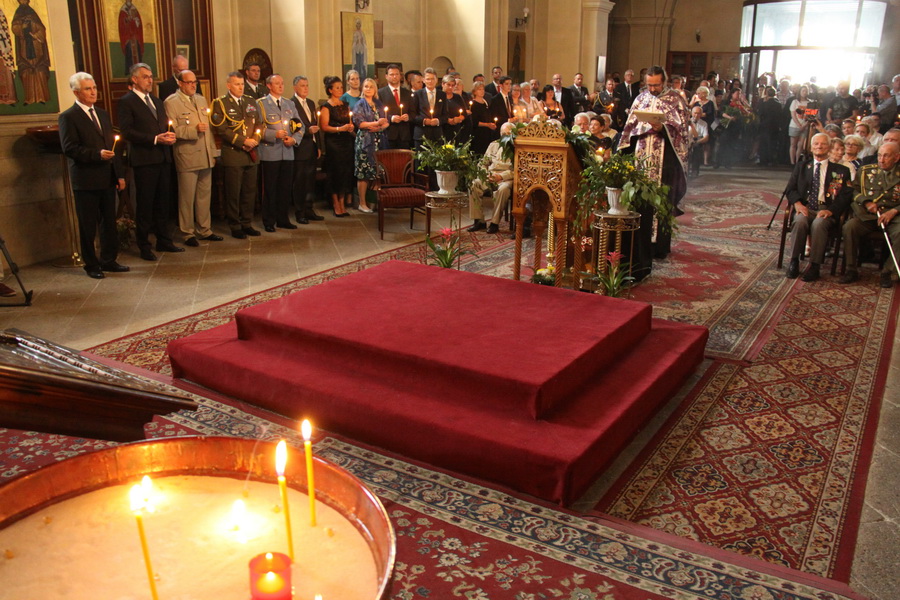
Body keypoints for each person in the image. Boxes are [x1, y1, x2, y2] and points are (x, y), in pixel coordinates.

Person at [618, 65, 690, 276]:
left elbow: (683, 131)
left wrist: (664, 128)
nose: (653, 88)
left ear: (664, 82)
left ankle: (660, 246)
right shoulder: (640, 99)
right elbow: (629, 128)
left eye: (656, 85)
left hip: (665, 158)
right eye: (649, 85)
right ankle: (642, 247)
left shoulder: (676, 99)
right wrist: (644, 127)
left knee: (662, 200)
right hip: (642, 156)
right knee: (641, 200)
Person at [58, 72, 128, 279]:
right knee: (88, 224)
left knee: (108, 222)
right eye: (88, 89)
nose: (93, 92)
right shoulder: (68, 117)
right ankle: (91, 264)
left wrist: (119, 175)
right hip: (86, 178)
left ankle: (109, 260)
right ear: (76, 92)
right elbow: (69, 148)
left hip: (107, 177)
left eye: (94, 87)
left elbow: (111, 145)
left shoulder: (102, 114)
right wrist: (96, 154)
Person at [117, 62, 181, 261]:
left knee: (163, 202)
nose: (150, 80)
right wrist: (154, 139)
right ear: (134, 79)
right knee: (145, 204)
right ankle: (144, 245)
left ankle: (164, 240)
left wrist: (169, 136)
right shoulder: (127, 102)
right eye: (145, 76)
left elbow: (162, 126)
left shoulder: (156, 101)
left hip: (163, 157)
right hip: (144, 159)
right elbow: (127, 131)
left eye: (151, 76)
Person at [784, 133, 852, 282]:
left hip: (826, 210)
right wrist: (798, 204)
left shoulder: (841, 171)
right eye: (816, 144)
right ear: (811, 147)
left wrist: (831, 210)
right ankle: (794, 261)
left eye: (823, 144)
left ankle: (814, 266)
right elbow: (790, 189)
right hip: (806, 207)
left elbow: (845, 196)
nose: (819, 146)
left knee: (819, 224)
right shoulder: (802, 166)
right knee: (800, 221)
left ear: (829, 147)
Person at [164, 69, 220, 247]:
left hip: (204, 154)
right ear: (180, 83)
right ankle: (187, 232)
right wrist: (193, 130)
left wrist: (212, 152)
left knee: (204, 195)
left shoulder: (201, 99)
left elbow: (209, 129)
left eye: (195, 82)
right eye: (189, 82)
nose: (193, 85)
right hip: (187, 155)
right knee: (187, 197)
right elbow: (172, 130)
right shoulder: (171, 102)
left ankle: (204, 229)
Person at [839, 141, 900, 288]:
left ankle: (888, 271)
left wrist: (894, 211)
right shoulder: (866, 171)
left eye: (886, 156)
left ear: (897, 157)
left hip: (894, 218)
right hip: (868, 215)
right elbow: (852, 190)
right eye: (879, 155)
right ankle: (851, 269)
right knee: (850, 227)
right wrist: (866, 202)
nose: (881, 159)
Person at [210, 71, 261, 239]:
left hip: (251, 153)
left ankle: (247, 222)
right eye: (237, 84)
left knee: (249, 191)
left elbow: (259, 124)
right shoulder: (220, 103)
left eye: (241, 84)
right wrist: (242, 141)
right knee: (233, 192)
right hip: (234, 153)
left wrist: (255, 139)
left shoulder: (250, 101)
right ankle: (235, 224)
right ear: (228, 85)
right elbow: (221, 129)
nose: (240, 87)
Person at [257, 74, 303, 232]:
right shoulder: (261, 104)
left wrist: (294, 139)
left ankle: (283, 218)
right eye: (277, 83)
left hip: (287, 151)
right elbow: (256, 128)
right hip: (270, 153)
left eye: (282, 83)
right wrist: (272, 135)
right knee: (270, 188)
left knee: (285, 187)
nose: (281, 86)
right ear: (269, 86)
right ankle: (269, 220)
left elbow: (299, 125)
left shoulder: (289, 103)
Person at [466, 122, 515, 234]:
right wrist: (485, 174)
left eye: (508, 133)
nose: (505, 136)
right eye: (503, 133)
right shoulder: (493, 144)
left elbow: (517, 170)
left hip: (505, 179)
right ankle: (479, 221)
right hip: (489, 176)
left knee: (503, 190)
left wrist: (500, 176)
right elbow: (482, 164)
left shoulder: (516, 148)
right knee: (474, 184)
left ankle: (494, 223)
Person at [319, 75, 355, 216]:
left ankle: (342, 201)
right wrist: (340, 129)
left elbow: (348, 121)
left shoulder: (344, 105)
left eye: (341, 87)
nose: (340, 90)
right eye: (337, 88)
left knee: (345, 172)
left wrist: (350, 127)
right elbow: (324, 127)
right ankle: (335, 203)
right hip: (334, 143)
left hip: (346, 142)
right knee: (335, 172)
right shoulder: (326, 107)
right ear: (330, 90)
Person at [290, 75, 323, 224]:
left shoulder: (310, 103)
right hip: (300, 147)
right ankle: (300, 211)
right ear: (295, 87)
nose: (306, 88)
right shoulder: (291, 104)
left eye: (307, 85)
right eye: (302, 86)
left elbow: (316, 125)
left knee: (310, 181)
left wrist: (319, 146)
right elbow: (292, 127)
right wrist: (307, 131)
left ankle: (309, 209)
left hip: (312, 146)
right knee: (300, 181)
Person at [352, 77, 388, 214]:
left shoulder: (378, 103)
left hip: (378, 140)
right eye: (366, 86)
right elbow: (360, 123)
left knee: (378, 171)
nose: (368, 89)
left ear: (375, 89)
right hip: (365, 142)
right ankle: (362, 202)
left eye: (371, 86)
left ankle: (375, 201)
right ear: (362, 89)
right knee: (364, 173)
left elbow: (386, 121)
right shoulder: (360, 104)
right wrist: (376, 123)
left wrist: (380, 127)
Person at [11, 0, 50, 104]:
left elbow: (41, 28)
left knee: (40, 71)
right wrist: (22, 27)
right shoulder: (18, 12)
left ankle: (42, 97)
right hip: (24, 47)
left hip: (36, 47)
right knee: (26, 72)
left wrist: (33, 27)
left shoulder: (32, 12)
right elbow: (14, 27)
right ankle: (29, 99)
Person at [377, 63, 413, 149]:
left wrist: (408, 117)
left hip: (404, 135)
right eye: (391, 74)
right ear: (386, 76)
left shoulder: (407, 93)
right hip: (389, 134)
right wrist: (391, 118)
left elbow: (413, 112)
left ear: (400, 76)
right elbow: (378, 112)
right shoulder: (380, 93)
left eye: (397, 74)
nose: (394, 77)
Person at [412, 68, 447, 149]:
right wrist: (424, 121)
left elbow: (446, 115)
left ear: (436, 80)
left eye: (432, 79)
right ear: (423, 80)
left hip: (437, 134)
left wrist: (438, 121)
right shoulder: (417, 94)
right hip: (421, 134)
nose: (430, 81)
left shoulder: (442, 95)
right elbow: (413, 114)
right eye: (428, 79)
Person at [469, 81, 495, 155]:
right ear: (474, 91)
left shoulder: (485, 102)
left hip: (487, 133)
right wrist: (487, 124)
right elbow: (474, 122)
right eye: (479, 89)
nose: (482, 91)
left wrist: (491, 124)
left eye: (483, 89)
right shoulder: (473, 104)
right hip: (478, 133)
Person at [788, 85, 812, 164]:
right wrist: (799, 125)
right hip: (795, 125)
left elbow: (811, 116)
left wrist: (805, 125)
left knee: (801, 145)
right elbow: (793, 115)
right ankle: (792, 162)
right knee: (793, 144)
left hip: (805, 125)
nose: (804, 93)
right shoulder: (795, 102)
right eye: (803, 91)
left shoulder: (810, 103)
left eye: (806, 91)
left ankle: (798, 161)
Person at [441, 73, 467, 141]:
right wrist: (448, 120)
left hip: (455, 129)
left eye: (452, 85)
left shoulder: (457, 97)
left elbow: (464, 113)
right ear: (443, 84)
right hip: (442, 129)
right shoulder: (439, 96)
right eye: (448, 85)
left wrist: (459, 118)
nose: (450, 87)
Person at [687, 105, 709, 177]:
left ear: (701, 114)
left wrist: (697, 142)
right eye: (695, 113)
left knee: (696, 148)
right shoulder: (687, 121)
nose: (696, 115)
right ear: (692, 113)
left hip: (698, 139)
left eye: (698, 113)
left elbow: (706, 137)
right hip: (688, 139)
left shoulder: (704, 123)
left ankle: (695, 170)